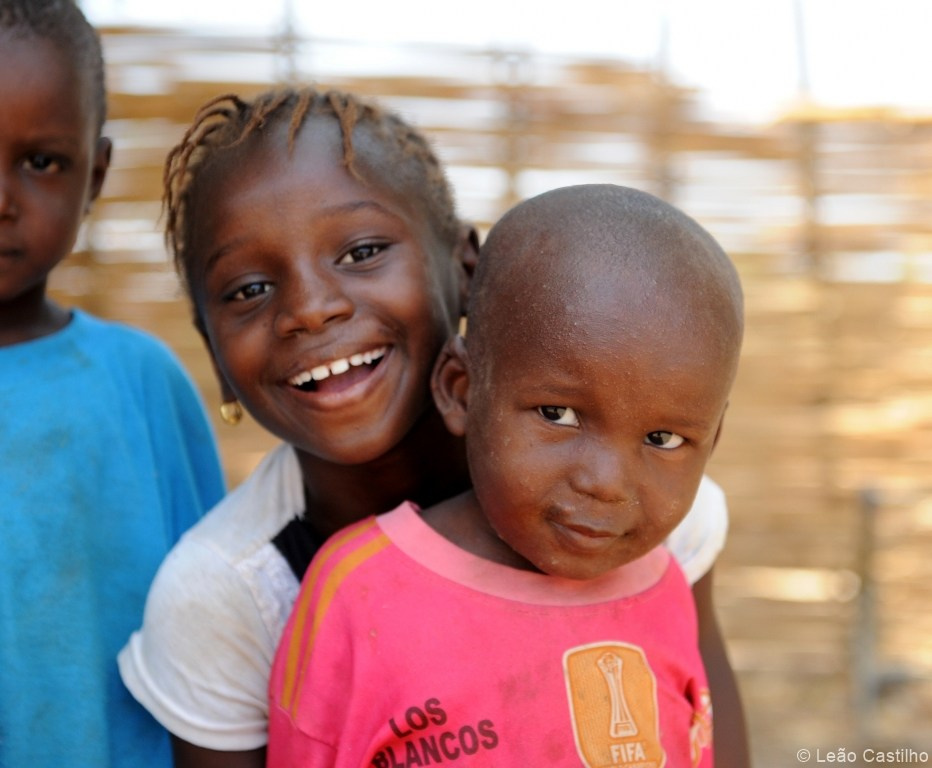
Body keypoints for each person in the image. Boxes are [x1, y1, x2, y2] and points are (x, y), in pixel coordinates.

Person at [118, 87, 748, 767]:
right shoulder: (227, 594)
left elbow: (701, 721)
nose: (310, 308)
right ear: (213, 352)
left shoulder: (642, 511)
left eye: (361, 251)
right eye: (248, 290)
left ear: (466, 270)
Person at [267, 183, 744, 766]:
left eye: (663, 439)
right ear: (461, 391)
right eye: (557, 415)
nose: (607, 482)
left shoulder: (665, 585)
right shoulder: (357, 593)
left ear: (711, 442)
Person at [0, 1, 225, 766]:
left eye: (40, 162)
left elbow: (219, 618)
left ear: (93, 176)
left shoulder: (141, 383)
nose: (1, 199)